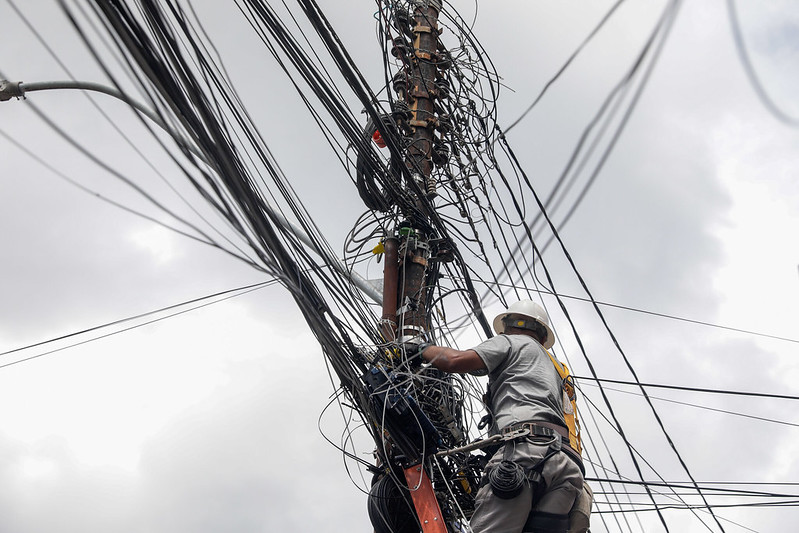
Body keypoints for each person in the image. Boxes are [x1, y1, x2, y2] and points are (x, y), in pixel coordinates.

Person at [414, 300, 588, 533]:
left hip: (527, 451)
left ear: (511, 325)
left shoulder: (512, 341)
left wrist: (419, 348)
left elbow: (455, 361)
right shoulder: (556, 368)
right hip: (567, 466)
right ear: (542, 334)